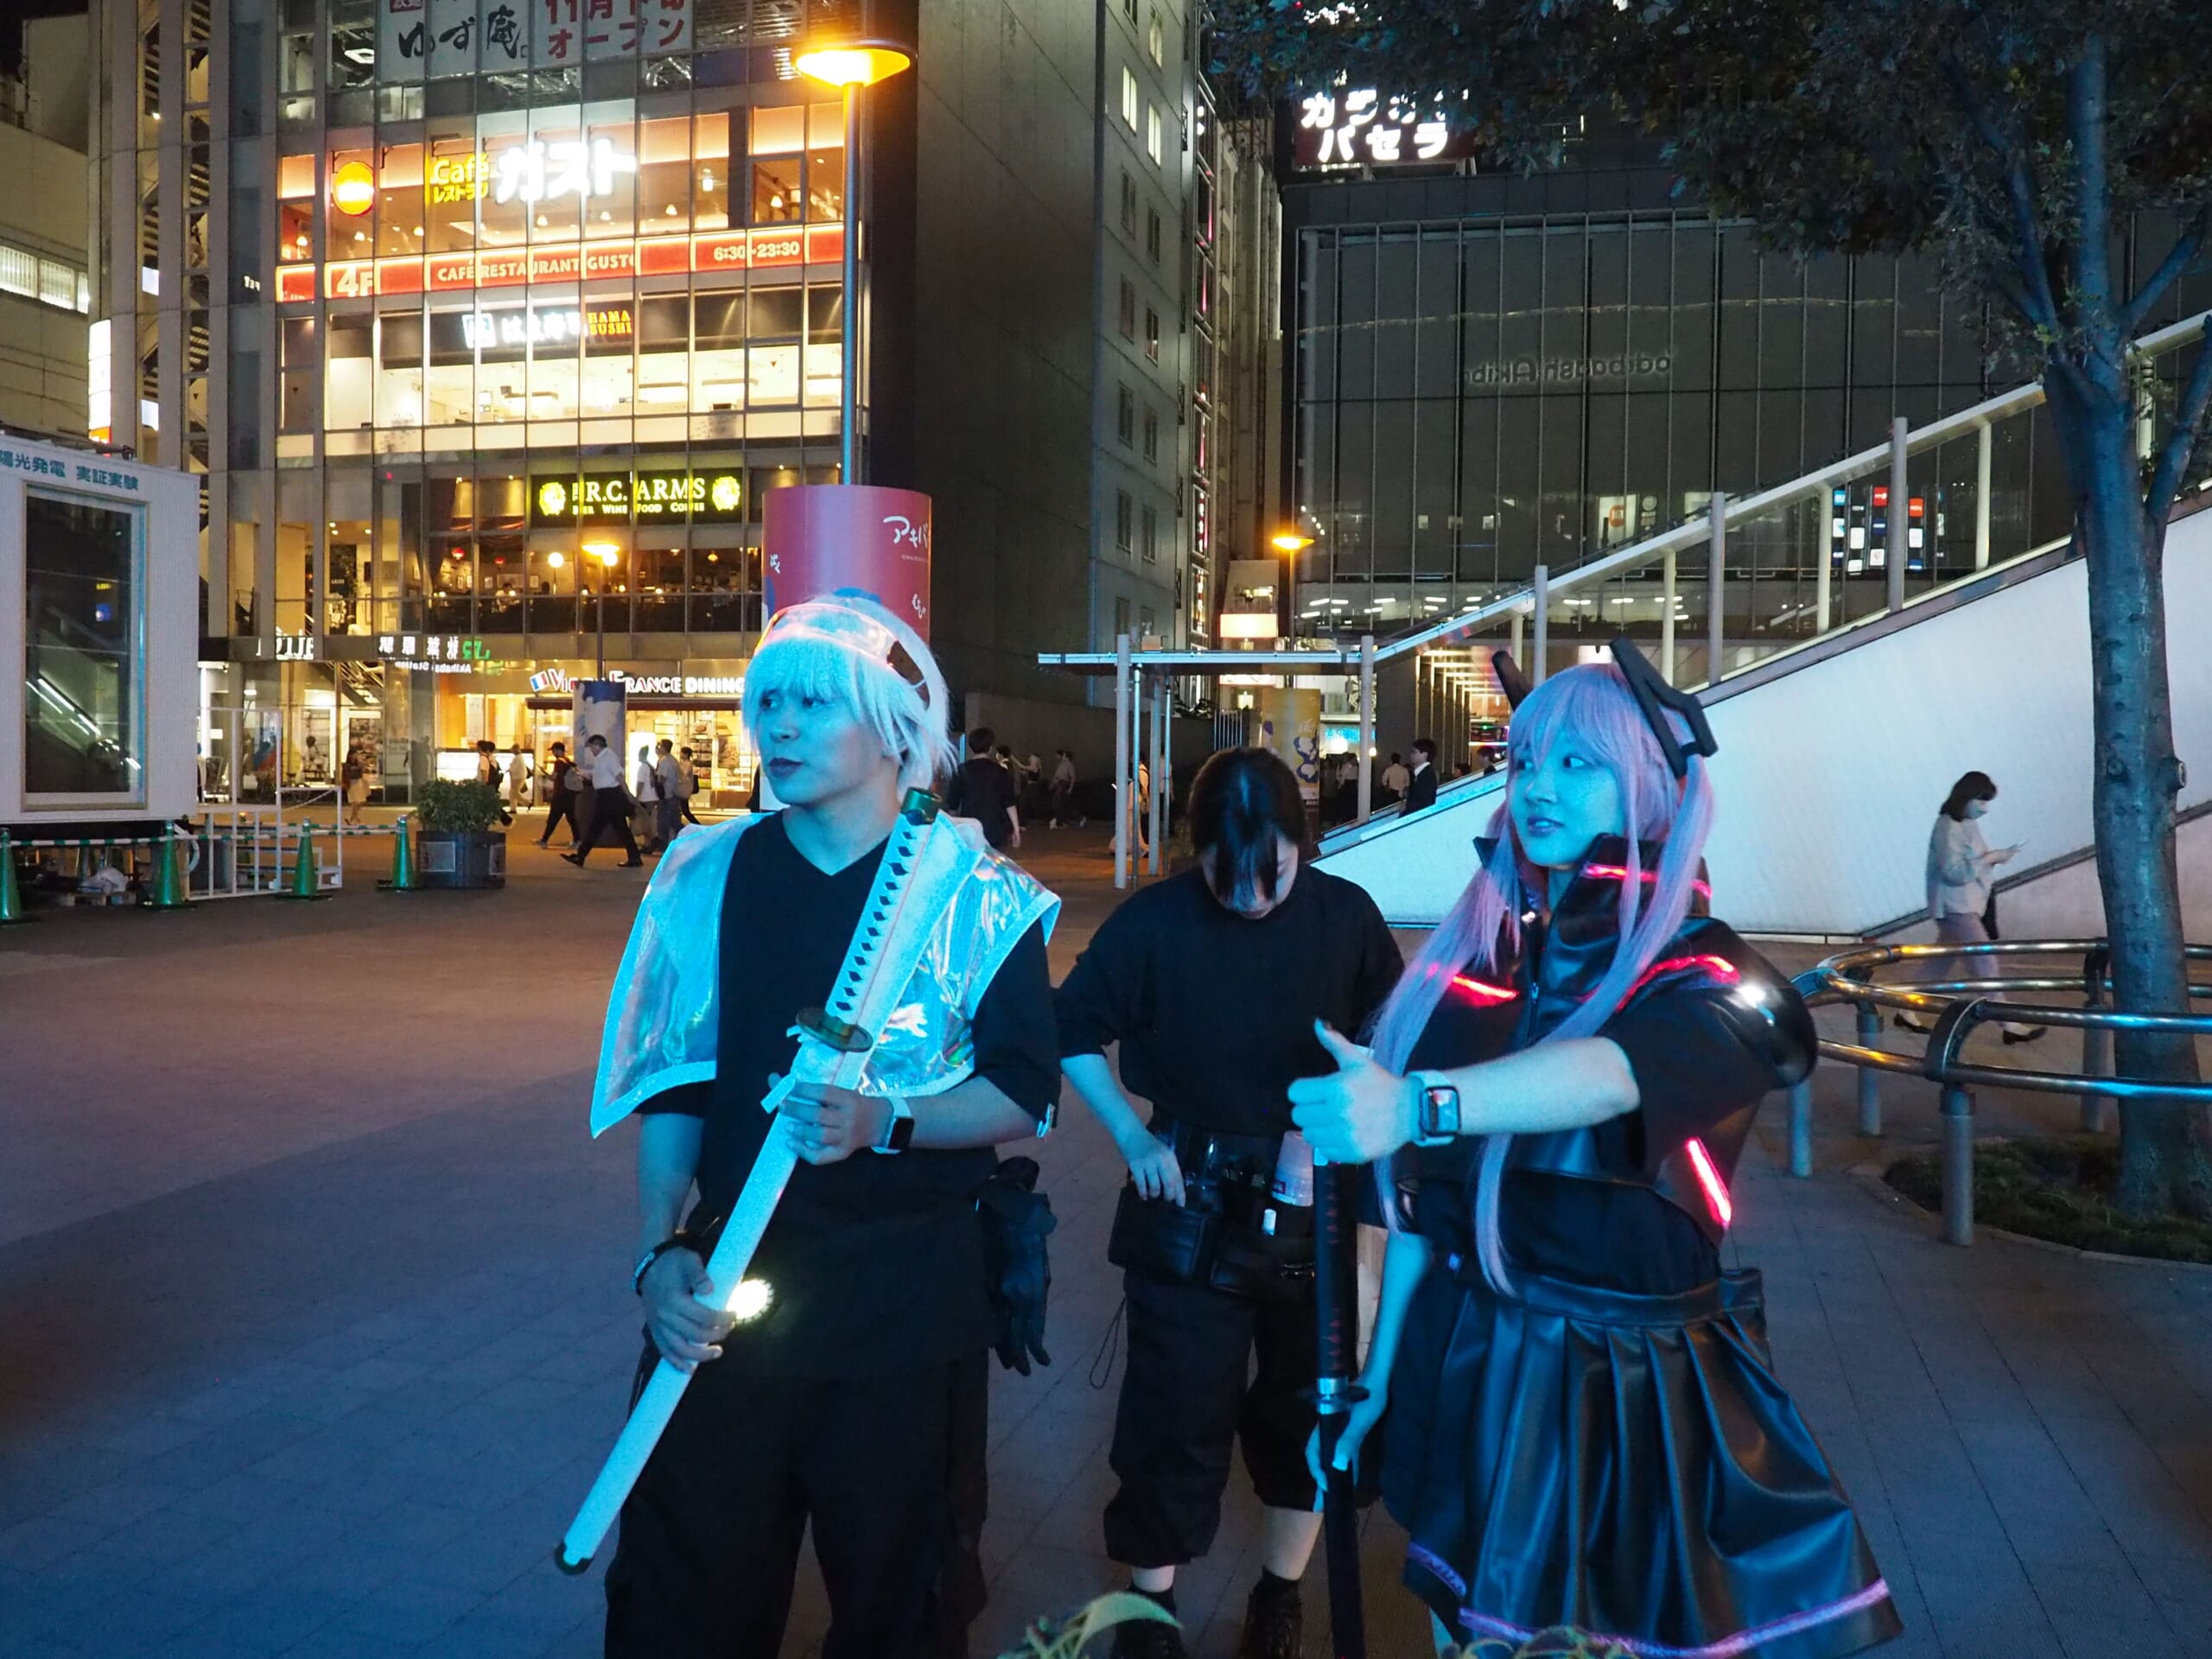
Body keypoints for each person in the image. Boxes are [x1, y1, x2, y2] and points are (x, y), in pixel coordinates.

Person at [1288, 645, 1899, 1659]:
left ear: (1650, 786)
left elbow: (1617, 1074)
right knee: (1459, 1635)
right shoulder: (1477, 966)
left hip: (1618, 1391)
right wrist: (1376, 1380)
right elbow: (1422, 1218)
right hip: (1470, 1358)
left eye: (1579, 764)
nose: (1539, 788)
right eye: (1527, 761)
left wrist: (1419, 1105)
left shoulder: (1706, 971)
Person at [588, 595, 1063, 1658]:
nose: (778, 728)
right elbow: (676, 1086)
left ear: (893, 725)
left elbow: (1023, 1092)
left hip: (906, 1308)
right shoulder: (703, 875)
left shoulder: (976, 894)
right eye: (766, 703)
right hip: (728, 1301)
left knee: (903, 1601)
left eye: (811, 703)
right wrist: (662, 1253)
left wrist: (883, 1123)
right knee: (679, 1599)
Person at [1056, 749, 1403, 1659]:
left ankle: (1279, 1596)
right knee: (1172, 1416)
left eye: (1270, 873)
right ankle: (1149, 1610)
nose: (1248, 896)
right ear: (1193, 849)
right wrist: (1133, 1138)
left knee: (1306, 1413)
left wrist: (1348, 1116)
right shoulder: (1156, 922)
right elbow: (1070, 1028)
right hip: (1188, 1203)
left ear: (1302, 842)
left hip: (1318, 1206)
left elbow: (1395, 1035)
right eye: (1225, 874)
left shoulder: (1347, 917)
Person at [1900, 771, 2033, 1041]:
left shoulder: (1966, 824)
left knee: (1939, 963)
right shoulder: (1948, 826)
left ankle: (1905, 1008)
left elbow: (1972, 863)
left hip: (1966, 905)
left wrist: (1995, 858)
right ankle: (2008, 1024)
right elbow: (1954, 871)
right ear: (1967, 797)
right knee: (1984, 961)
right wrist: (1990, 858)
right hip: (1956, 906)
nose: (1984, 809)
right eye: (1981, 801)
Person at [563, 734, 644, 868]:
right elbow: (605, 776)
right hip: (607, 796)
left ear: (597, 745)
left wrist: (628, 794)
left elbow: (619, 777)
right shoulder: (603, 758)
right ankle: (634, 857)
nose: (591, 751)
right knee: (617, 828)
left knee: (597, 827)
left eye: (591, 747)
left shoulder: (609, 757)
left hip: (610, 797)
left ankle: (581, 855)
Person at [945, 725, 1021, 852]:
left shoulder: (961, 771)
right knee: (993, 866)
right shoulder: (1001, 772)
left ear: (971, 747)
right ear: (990, 748)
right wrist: (1016, 829)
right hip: (995, 829)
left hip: (970, 828)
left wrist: (955, 823)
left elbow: (953, 803)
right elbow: (1010, 803)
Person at [538, 741, 582, 849]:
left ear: (558, 750)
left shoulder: (558, 763)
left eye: (553, 750)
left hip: (560, 794)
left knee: (553, 818)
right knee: (571, 818)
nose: (552, 753)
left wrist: (544, 772)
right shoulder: (568, 761)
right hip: (570, 793)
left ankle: (544, 840)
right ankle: (577, 840)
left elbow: (554, 777)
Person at [653, 739, 684, 850]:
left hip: (666, 794)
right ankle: (684, 837)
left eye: (660, 745)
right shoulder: (673, 760)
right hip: (673, 793)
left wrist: (657, 789)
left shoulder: (664, 761)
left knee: (664, 820)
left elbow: (662, 778)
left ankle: (663, 843)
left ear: (664, 747)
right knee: (674, 819)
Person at [632, 743, 664, 853]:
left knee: (646, 822)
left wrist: (637, 797)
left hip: (646, 798)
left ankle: (650, 842)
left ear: (642, 755)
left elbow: (640, 783)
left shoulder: (642, 768)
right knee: (650, 821)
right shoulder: (650, 766)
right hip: (653, 797)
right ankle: (648, 843)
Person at [476, 740, 512, 825]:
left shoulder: (483, 759)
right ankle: (506, 820)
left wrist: (483, 785)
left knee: (491, 805)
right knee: (490, 804)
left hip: (486, 785)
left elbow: (484, 773)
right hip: (491, 785)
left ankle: (507, 820)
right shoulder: (490, 759)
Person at [1403, 738, 1440, 814]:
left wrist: (1406, 807)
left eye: (1414, 752)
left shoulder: (1427, 776)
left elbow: (1423, 804)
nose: (1411, 755)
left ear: (1424, 755)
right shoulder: (1422, 774)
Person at [1049, 748, 1081, 828]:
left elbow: (1073, 777)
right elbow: (1056, 776)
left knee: (1058, 802)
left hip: (1063, 784)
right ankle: (1063, 821)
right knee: (1063, 804)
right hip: (1059, 783)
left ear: (1066, 757)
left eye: (1063, 755)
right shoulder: (1061, 765)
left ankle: (1059, 821)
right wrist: (1053, 784)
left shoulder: (1069, 765)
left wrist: (1070, 788)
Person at [676, 746, 704, 826]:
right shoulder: (681, 763)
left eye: (682, 753)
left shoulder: (688, 764)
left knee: (684, 809)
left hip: (685, 788)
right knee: (683, 809)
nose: (680, 754)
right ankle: (683, 824)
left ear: (686, 754)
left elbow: (684, 775)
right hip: (682, 788)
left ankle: (696, 824)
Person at [340, 747, 367, 826]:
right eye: (354, 754)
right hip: (351, 783)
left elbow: (362, 771)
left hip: (359, 782)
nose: (356, 756)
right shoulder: (347, 765)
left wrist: (361, 764)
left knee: (361, 801)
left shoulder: (358, 763)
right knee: (355, 802)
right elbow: (349, 773)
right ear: (350, 755)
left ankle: (351, 818)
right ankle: (355, 819)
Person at [509, 743, 533, 811]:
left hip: (517, 777)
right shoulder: (519, 757)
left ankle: (527, 803)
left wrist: (510, 770)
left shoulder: (518, 758)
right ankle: (513, 808)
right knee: (513, 793)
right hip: (519, 776)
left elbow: (514, 768)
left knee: (514, 793)